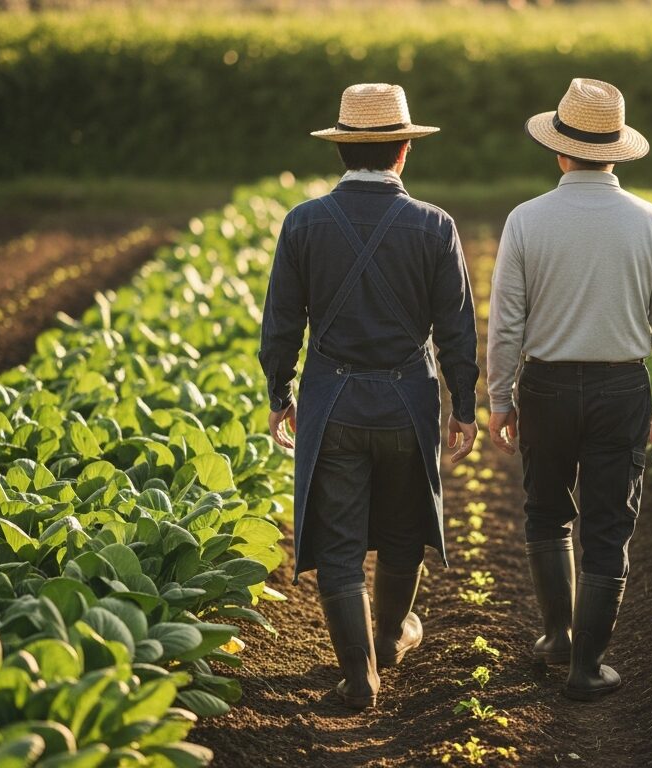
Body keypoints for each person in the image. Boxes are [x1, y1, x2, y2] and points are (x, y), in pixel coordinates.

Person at [259, 83, 480, 710]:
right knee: (405, 532)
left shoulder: (302, 223)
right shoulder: (435, 226)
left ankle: (359, 678)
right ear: (404, 151)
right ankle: (387, 640)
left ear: (341, 151)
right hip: (409, 402)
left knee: (338, 545)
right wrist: (462, 406)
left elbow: (281, 324)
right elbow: (457, 329)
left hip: (332, 403)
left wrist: (280, 393)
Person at [485, 78, 652, 701]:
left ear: (560, 151)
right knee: (607, 527)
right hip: (621, 388)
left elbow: (505, 322)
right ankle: (587, 668)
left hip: (544, 384)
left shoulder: (526, 220)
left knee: (547, 511)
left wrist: (499, 398)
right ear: (617, 150)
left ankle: (556, 639)